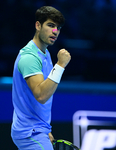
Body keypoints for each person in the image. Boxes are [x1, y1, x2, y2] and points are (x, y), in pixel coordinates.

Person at [11, 6, 71, 150]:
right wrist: (61, 65)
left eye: (58, 27)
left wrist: (45, 129)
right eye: (50, 25)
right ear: (38, 25)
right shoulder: (29, 57)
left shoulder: (45, 53)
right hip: (30, 133)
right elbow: (41, 95)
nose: (55, 31)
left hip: (36, 130)